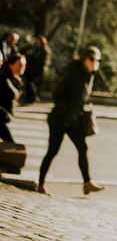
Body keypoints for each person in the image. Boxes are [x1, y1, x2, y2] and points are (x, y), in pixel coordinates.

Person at [38, 46, 105, 196]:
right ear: (84, 60)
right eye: (93, 59)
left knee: (82, 148)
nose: (95, 62)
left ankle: (87, 183)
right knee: (52, 151)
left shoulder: (89, 76)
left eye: (98, 60)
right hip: (59, 120)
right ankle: (41, 184)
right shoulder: (74, 75)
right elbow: (58, 95)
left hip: (73, 121)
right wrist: (66, 113)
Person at [0, 54, 26, 142]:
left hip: (4, 120)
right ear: (10, 65)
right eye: (20, 65)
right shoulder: (3, 79)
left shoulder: (14, 80)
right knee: (12, 146)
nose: (22, 67)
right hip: (1, 121)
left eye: (24, 65)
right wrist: (4, 114)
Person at [22, 35, 50, 105]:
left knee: (31, 83)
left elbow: (43, 62)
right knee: (28, 83)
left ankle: (33, 98)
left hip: (38, 71)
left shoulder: (44, 51)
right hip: (30, 70)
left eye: (38, 42)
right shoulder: (35, 49)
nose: (37, 43)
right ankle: (29, 98)